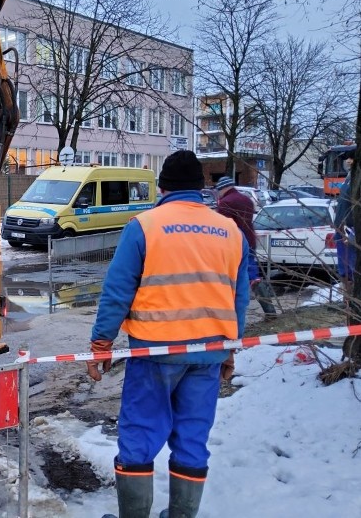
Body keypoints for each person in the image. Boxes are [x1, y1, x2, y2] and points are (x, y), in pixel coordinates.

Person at [88, 150, 249, 518]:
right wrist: (230, 349)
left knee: (140, 434)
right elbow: (238, 298)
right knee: (193, 437)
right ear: (201, 187)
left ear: (162, 187)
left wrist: (101, 343)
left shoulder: (145, 226)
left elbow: (117, 291)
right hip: (209, 353)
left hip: (155, 353)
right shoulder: (230, 232)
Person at [214, 175, 278, 320]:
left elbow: (222, 226)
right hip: (249, 240)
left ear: (223, 189)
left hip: (233, 243)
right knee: (251, 273)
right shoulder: (246, 199)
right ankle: (269, 310)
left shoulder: (225, 202)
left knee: (237, 276)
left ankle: (234, 312)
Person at [333, 154, 356, 297]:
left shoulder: (356, 180)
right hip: (341, 229)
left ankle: (353, 300)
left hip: (351, 230)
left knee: (352, 268)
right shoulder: (349, 178)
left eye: (351, 158)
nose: (347, 161)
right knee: (344, 269)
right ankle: (347, 301)